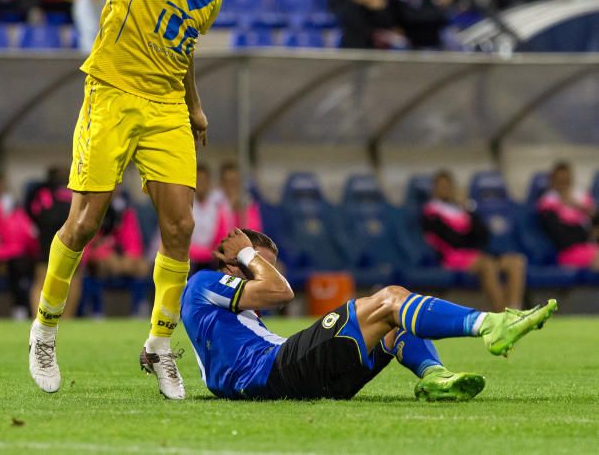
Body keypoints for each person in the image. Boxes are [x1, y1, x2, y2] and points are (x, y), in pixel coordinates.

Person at [27, 0, 259, 400]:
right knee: (84, 223)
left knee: (180, 227)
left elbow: (184, 47)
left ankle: (159, 345)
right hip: (111, 92)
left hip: (164, 108)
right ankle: (45, 329)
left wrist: (194, 104)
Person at [181, 227, 556, 401]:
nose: (267, 274)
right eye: (260, 265)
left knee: (394, 318)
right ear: (231, 264)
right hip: (275, 372)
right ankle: (491, 324)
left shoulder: (230, 311)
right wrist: (247, 253)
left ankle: (434, 376)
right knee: (390, 298)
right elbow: (282, 290)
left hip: (297, 380)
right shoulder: (204, 283)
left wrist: (155, 348)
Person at [421, 171, 526, 312]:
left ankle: (515, 310)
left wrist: (467, 210)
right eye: (441, 186)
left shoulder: (462, 209)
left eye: (448, 186)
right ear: (435, 189)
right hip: (452, 257)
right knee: (487, 264)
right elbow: (451, 239)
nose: (445, 189)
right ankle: (502, 314)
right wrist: (469, 239)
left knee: (516, 262)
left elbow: (482, 234)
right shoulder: (431, 212)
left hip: (476, 255)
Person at [26, 167, 80, 322]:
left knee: (41, 278)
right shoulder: (74, 188)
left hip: (46, 233)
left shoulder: (40, 191)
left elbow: (30, 210)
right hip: (69, 231)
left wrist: (39, 224)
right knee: (73, 276)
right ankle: (67, 318)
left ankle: (38, 318)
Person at [537, 162, 599, 270]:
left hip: (589, 246)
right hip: (567, 252)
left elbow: (595, 217)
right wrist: (587, 234)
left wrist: (579, 206)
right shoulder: (547, 202)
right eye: (560, 180)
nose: (563, 183)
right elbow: (561, 237)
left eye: (566, 180)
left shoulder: (580, 197)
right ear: (553, 180)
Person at [0, 169, 37, 319]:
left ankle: (20, 308)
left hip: (9, 250)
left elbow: (17, 233)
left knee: (19, 262)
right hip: (0, 250)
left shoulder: (9, 203)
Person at [189, 164, 227, 271]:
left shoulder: (218, 205)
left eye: (204, 181)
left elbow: (222, 236)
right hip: (190, 260)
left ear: (209, 183)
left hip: (212, 259)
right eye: (198, 180)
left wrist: (212, 253)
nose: (201, 184)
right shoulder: (186, 205)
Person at [217, 162, 263, 233]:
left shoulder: (250, 205)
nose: (232, 186)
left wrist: (242, 212)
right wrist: (230, 210)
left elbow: (254, 234)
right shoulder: (216, 208)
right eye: (228, 182)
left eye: (235, 182)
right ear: (222, 184)